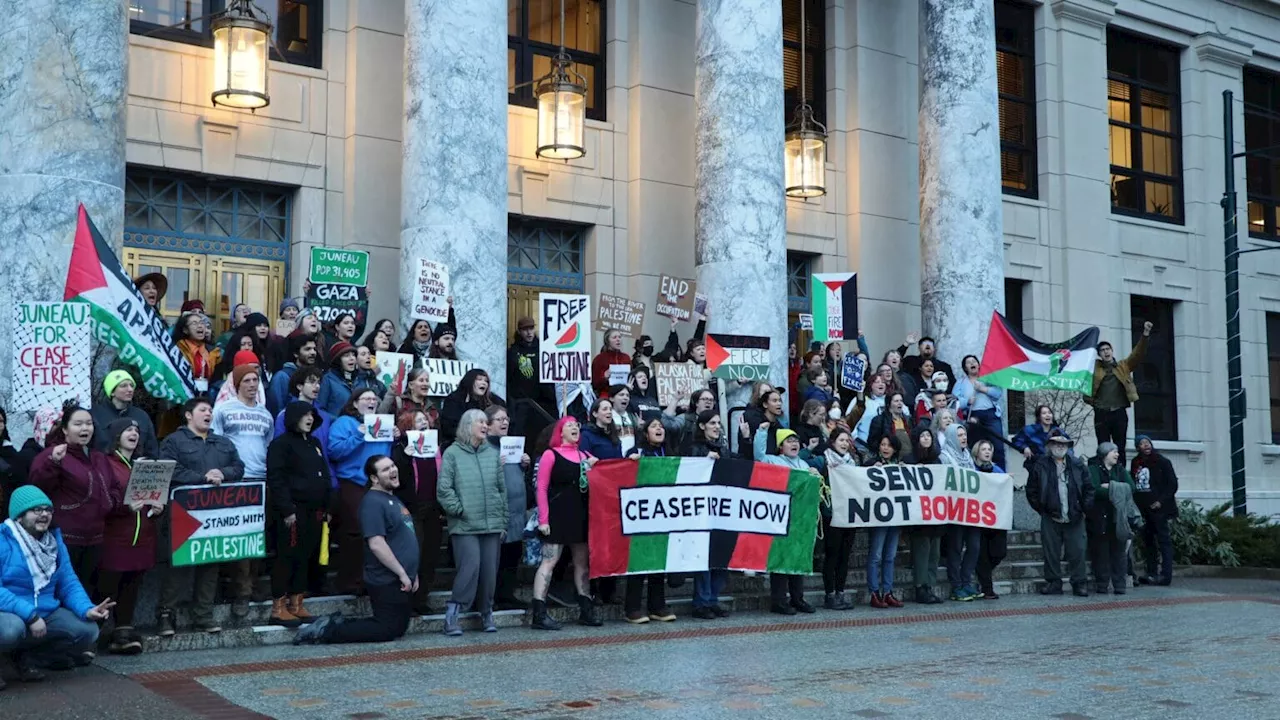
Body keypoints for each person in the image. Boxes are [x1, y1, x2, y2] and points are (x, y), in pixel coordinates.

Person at [294, 456, 419, 645]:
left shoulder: (392, 499)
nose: (393, 470)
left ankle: (335, 625)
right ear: (374, 478)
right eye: (385, 469)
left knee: (397, 628)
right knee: (386, 629)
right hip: (386, 578)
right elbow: (376, 543)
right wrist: (402, 572)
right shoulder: (373, 503)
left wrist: (412, 572)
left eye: (393, 466)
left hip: (402, 577)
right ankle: (327, 630)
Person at [0, 486, 114, 687]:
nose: (44, 514)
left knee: (87, 630)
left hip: (44, 613)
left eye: (48, 509)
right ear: (19, 516)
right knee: (11, 630)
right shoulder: (3, 541)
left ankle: (25, 657)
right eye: (36, 510)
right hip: (9, 613)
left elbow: (68, 582)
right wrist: (30, 615)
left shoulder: (54, 543)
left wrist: (87, 609)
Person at [157, 398, 245, 635]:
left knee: (210, 564)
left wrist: (222, 473)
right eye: (203, 410)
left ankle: (203, 616)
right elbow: (169, 469)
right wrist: (203, 477)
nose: (209, 413)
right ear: (188, 415)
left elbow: (239, 467)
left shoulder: (223, 442)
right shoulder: (174, 441)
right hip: (184, 514)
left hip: (214, 515)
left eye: (210, 410)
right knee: (179, 566)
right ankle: (166, 615)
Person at [211, 353, 275, 621]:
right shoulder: (223, 410)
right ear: (236, 384)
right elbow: (215, 442)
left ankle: (253, 585)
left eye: (255, 380)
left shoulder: (265, 414)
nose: (251, 384)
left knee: (257, 538)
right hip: (236, 480)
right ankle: (241, 593)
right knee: (239, 541)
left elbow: (268, 443)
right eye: (246, 380)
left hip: (260, 479)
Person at [29, 403, 118, 592]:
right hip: (65, 540)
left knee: (88, 590)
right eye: (78, 424)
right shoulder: (52, 455)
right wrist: (52, 463)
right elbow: (37, 489)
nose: (85, 428)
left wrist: (112, 502)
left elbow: (114, 487)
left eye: (88, 423)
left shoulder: (99, 458)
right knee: (65, 591)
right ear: (65, 429)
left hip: (96, 538)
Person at [438, 409, 507, 636]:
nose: (485, 426)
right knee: (470, 568)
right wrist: (459, 510)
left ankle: (486, 612)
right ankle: (452, 615)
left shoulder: (493, 453)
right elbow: (444, 489)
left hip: (492, 524)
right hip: (465, 524)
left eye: (486, 422)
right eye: (480, 422)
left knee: (489, 572)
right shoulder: (452, 453)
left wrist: (502, 519)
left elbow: (501, 489)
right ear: (468, 426)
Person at [266, 402, 332, 628]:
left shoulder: (314, 442)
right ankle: (278, 607)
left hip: (314, 511)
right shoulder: (280, 445)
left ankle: (297, 603)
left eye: (312, 414)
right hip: (292, 511)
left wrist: (327, 506)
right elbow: (276, 479)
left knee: (305, 556)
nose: (309, 418)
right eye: (304, 415)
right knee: (287, 557)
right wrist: (287, 509)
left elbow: (323, 474)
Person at [97, 419, 160, 655]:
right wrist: (124, 507)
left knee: (132, 584)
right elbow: (103, 499)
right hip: (116, 536)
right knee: (107, 586)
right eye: (128, 430)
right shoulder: (106, 463)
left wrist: (156, 507)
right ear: (116, 435)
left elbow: (151, 501)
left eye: (136, 430)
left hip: (142, 535)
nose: (133, 433)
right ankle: (92, 633)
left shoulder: (142, 465)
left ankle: (123, 632)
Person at [531, 417, 600, 630]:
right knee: (549, 561)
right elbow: (541, 488)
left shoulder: (585, 456)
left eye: (577, 425)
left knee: (582, 563)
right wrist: (543, 519)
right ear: (560, 432)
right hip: (557, 515)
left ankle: (586, 609)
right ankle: (539, 613)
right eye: (569, 425)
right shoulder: (550, 455)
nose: (575, 428)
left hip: (579, 515)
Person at [328, 389, 393, 596]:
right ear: (355, 404)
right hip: (353, 483)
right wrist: (358, 434)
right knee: (355, 532)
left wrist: (396, 437)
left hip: (377, 486)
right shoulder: (344, 423)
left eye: (374, 398)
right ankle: (350, 581)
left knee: (377, 533)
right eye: (366, 398)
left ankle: (371, 579)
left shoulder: (383, 424)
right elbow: (335, 451)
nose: (372, 401)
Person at [753, 426, 819, 615]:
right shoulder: (773, 461)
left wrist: (814, 477)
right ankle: (779, 601)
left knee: (798, 560)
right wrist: (762, 432)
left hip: (800, 521)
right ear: (781, 446)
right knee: (780, 560)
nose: (794, 444)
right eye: (789, 441)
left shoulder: (804, 465)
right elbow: (758, 456)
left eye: (796, 441)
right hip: (780, 518)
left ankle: (797, 598)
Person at [1025, 432, 1094, 597]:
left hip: (1075, 517)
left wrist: (1084, 509)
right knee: (1051, 552)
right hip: (1050, 516)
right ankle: (1053, 583)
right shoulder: (1040, 465)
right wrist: (1041, 508)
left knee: (1077, 551)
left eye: (1063, 444)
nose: (1060, 447)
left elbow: (1089, 489)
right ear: (1049, 446)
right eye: (1056, 444)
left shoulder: (1078, 465)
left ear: (1068, 447)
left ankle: (1079, 583)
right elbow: (1031, 490)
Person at [622, 418, 676, 623]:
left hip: (664, 515)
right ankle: (632, 608)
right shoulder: (636, 452)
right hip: (641, 517)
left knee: (659, 563)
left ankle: (657, 606)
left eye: (661, 426)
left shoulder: (669, 454)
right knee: (639, 562)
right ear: (645, 434)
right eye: (654, 426)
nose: (659, 429)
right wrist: (630, 463)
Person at [391, 410, 442, 616]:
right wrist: (405, 456)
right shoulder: (401, 448)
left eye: (425, 420)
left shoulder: (436, 448)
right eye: (418, 420)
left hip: (433, 507)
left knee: (430, 554)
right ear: (408, 426)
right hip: (412, 508)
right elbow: (396, 479)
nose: (424, 423)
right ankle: (406, 600)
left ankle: (422, 598)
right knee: (413, 554)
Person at [683, 410, 730, 620]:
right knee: (704, 556)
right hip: (701, 510)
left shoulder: (724, 448)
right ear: (702, 426)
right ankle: (701, 602)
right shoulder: (694, 447)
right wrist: (703, 459)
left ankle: (713, 599)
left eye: (719, 423)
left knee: (720, 556)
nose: (717, 426)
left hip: (721, 509)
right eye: (712, 423)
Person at [484, 405, 531, 611]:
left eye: (506, 419)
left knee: (513, 555)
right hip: (497, 513)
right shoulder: (485, 449)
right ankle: (490, 596)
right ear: (488, 424)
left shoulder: (512, 446)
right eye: (499, 419)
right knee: (497, 557)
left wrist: (524, 465)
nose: (505, 423)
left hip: (517, 511)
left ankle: (507, 594)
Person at [1089, 321, 1153, 466]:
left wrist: (1145, 335)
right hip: (1101, 412)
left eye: (1108, 349)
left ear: (1112, 351)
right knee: (1103, 447)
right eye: (1102, 350)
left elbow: (1137, 354)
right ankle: (1103, 473)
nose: (1106, 352)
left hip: (1119, 412)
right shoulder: (1094, 368)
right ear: (1099, 354)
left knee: (1120, 446)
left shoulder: (1123, 366)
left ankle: (1121, 475)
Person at [1086, 442, 1134, 595]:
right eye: (1114, 451)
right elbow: (1094, 489)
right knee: (1101, 554)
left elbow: (1131, 488)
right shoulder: (1092, 469)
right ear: (1105, 453)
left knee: (1120, 554)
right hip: (1099, 518)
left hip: (1118, 518)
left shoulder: (1120, 469)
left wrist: (1111, 487)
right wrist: (1118, 489)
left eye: (1117, 451)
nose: (1117, 454)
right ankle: (1102, 585)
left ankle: (1120, 585)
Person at [941, 424, 982, 601]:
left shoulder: (967, 456)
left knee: (974, 546)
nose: (963, 438)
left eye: (964, 434)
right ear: (951, 437)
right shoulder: (944, 457)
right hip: (954, 510)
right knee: (955, 548)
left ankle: (967, 582)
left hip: (970, 509)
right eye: (958, 435)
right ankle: (956, 586)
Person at [864, 432, 905, 608]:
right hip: (879, 516)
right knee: (876, 555)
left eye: (889, 445)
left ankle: (887, 592)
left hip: (895, 516)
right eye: (883, 444)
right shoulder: (872, 463)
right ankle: (874, 592)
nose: (885, 448)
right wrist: (872, 467)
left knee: (890, 556)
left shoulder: (900, 466)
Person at [1130, 435, 1177, 586]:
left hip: (1160, 509)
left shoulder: (1162, 461)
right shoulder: (1135, 462)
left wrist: (1160, 501)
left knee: (1164, 541)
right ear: (1138, 447)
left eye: (1148, 442)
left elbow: (1172, 485)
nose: (1146, 445)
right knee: (1148, 541)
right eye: (1142, 444)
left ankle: (1166, 574)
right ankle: (1151, 572)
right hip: (1143, 509)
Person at [819, 428, 858, 610]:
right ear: (832, 441)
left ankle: (840, 592)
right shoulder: (824, 459)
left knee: (845, 556)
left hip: (850, 514)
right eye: (841, 440)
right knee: (832, 555)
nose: (844, 443)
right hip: (832, 514)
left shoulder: (853, 462)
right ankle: (829, 594)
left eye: (847, 440)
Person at [906, 427, 944, 604]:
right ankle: (920, 586)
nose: (926, 438)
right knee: (922, 552)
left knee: (934, 553)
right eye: (922, 435)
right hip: (918, 515)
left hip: (936, 514)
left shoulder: (937, 461)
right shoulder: (909, 460)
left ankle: (929, 586)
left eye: (929, 435)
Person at [90, 370, 160, 459]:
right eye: (123, 386)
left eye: (132, 385)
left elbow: (152, 450)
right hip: (104, 469)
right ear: (112, 392)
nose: (130, 389)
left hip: (135, 470)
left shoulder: (142, 416)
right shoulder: (95, 414)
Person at [506, 316, 556, 440]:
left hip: (544, 402)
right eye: (525, 329)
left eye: (531, 328)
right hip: (522, 402)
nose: (529, 332)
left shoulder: (545, 348)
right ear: (519, 331)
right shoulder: (513, 352)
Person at [954, 354, 1005, 469]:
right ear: (965, 368)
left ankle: (1001, 474)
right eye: (968, 362)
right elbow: (955, 401)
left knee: (998, 445)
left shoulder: (988, 378)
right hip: (973, 416)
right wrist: (966, 401)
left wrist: (983, 389)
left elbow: (998, 393)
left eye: (974, 361)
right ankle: (977, 472)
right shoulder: (960, 383)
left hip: (990, 414)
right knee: (976, 446)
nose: (972, 363)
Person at [971, 439, 1007, 600]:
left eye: (989, 449)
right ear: (977, 452)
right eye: (983, 449)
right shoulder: (970, 469)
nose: (987, 452)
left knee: (999, 552)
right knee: (983, 555)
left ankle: (981, 576)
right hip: (977, 518)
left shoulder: (998, 470)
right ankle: (987, 588)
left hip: (995, 518)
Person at [440, 369, 506, 449]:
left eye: (486, 381)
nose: (484, 383)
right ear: (469, 381)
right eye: (479, 379)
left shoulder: (493, 400)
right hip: (460, 444)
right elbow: (449, 428)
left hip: (487, 445)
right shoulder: (454, 400)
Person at [267, 333, 319, 417]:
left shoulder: (316, 377)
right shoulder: (282, 376)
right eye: (307, 349)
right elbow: (277, 409)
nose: (313, 352)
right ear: (296, 354)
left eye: (314, 349)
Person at [317, 341, 371, 417]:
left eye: (353, 355)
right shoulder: (327, 380)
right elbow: (320, 409)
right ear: (337, 361)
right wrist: (338, 422)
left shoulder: (361, 380)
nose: (352, 358)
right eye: (346, 356)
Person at [175, 312, 222, 396]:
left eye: (201, 323)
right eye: (194, 323)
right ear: (185, 330)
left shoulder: (213, 351)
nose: (200, 326)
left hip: (207, 394)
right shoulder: (178, 349)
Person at [666, 388, 716, 454]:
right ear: (696, 403)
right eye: (704, 399)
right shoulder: (685, 418)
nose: (708, 402)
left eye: (711, 400)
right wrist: (675, 399)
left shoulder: (717, 422)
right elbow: (667, 425)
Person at [591, 330, 631, 394]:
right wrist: (604, 377)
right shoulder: (599, 359)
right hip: (606, 394)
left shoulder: (626, 358)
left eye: (619, 337)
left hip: (625, 393)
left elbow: (631, 378)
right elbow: (595, 384)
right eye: (614, 337)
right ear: (607, 341)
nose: (618, 339)